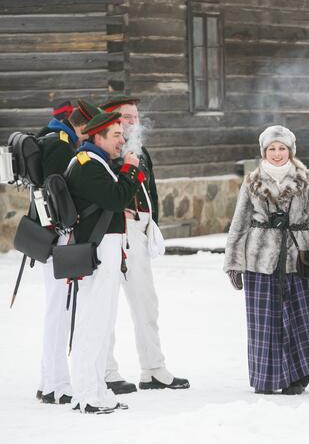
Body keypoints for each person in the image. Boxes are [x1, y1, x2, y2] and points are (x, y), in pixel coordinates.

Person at [224, 125, 309, 395]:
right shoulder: (252, 180)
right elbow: (239, 222)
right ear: (264, 151)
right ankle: (267, 377)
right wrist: (234, 262)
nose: (276, 153)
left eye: (281, 148)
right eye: (271, 149)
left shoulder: (306, 178)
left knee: (297, 319)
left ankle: (297, 375)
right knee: (265, 322)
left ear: (290, 150)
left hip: (297, 256)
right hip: (259, 259)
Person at [99, 96, 188, 394]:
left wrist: (152, 226)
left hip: (138, 231)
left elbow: (151, 191)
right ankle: (106, 370)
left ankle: (152, 368)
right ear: (111, 121)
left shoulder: (141, 151)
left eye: (135, 116)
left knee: (146, 303)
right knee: (106, 304)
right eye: (125, 116)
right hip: (111, 234)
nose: (132, 121)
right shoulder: (104, 152)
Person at [65, 111, 143, 414]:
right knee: (93, 325)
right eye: (115, 135)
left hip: (102, 248)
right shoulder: (88, 165)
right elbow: (114, 198)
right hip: (98, 251)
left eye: (122, 135)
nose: (121, 140)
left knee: (98, 323)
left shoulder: (94, 163)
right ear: (97, 137)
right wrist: (130, 171)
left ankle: (94, 390)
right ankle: (88, 394)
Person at [35, 100, 101, 405]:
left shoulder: (52, 138)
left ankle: (48, 378)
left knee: (55, 308)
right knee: (58, 311)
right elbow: (60, 193)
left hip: (49, 234)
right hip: (58, 235)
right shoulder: (61, 147)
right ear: (82, 127)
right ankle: (57, 385)